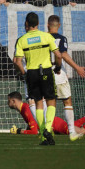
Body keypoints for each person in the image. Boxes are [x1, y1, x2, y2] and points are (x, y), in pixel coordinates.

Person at [14, 12, 62, 145]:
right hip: (46, 70)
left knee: (38, 103)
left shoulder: (22, 40)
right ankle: (47, 128)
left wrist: (24, 73)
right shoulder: (46, 36)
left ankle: (43, 136)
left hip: (31, 73)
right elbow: (58, 55)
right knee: (51, 101)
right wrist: (58, 67)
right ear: (38, 24)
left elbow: (17, 61)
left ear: (26, 24)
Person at [47, 15, 85, 141]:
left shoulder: (43, 37)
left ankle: (48, 131)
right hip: (58, 72)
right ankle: (72, 131)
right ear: (59, 26)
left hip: (44, 73)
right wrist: (77, 67)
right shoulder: (61, 38)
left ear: (48, 25)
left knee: (50, 103)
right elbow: (63, 54)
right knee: (67, 101)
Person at [7, 91, 85, 137]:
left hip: (57, 125)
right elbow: (34, 125)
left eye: (9, 101)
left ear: (13, 101)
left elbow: (34, 132)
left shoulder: (26, 109)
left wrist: (19, 131)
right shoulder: (24, 109)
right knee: (72, 127)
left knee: (79, 132)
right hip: (55, 126)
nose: (8, 103)